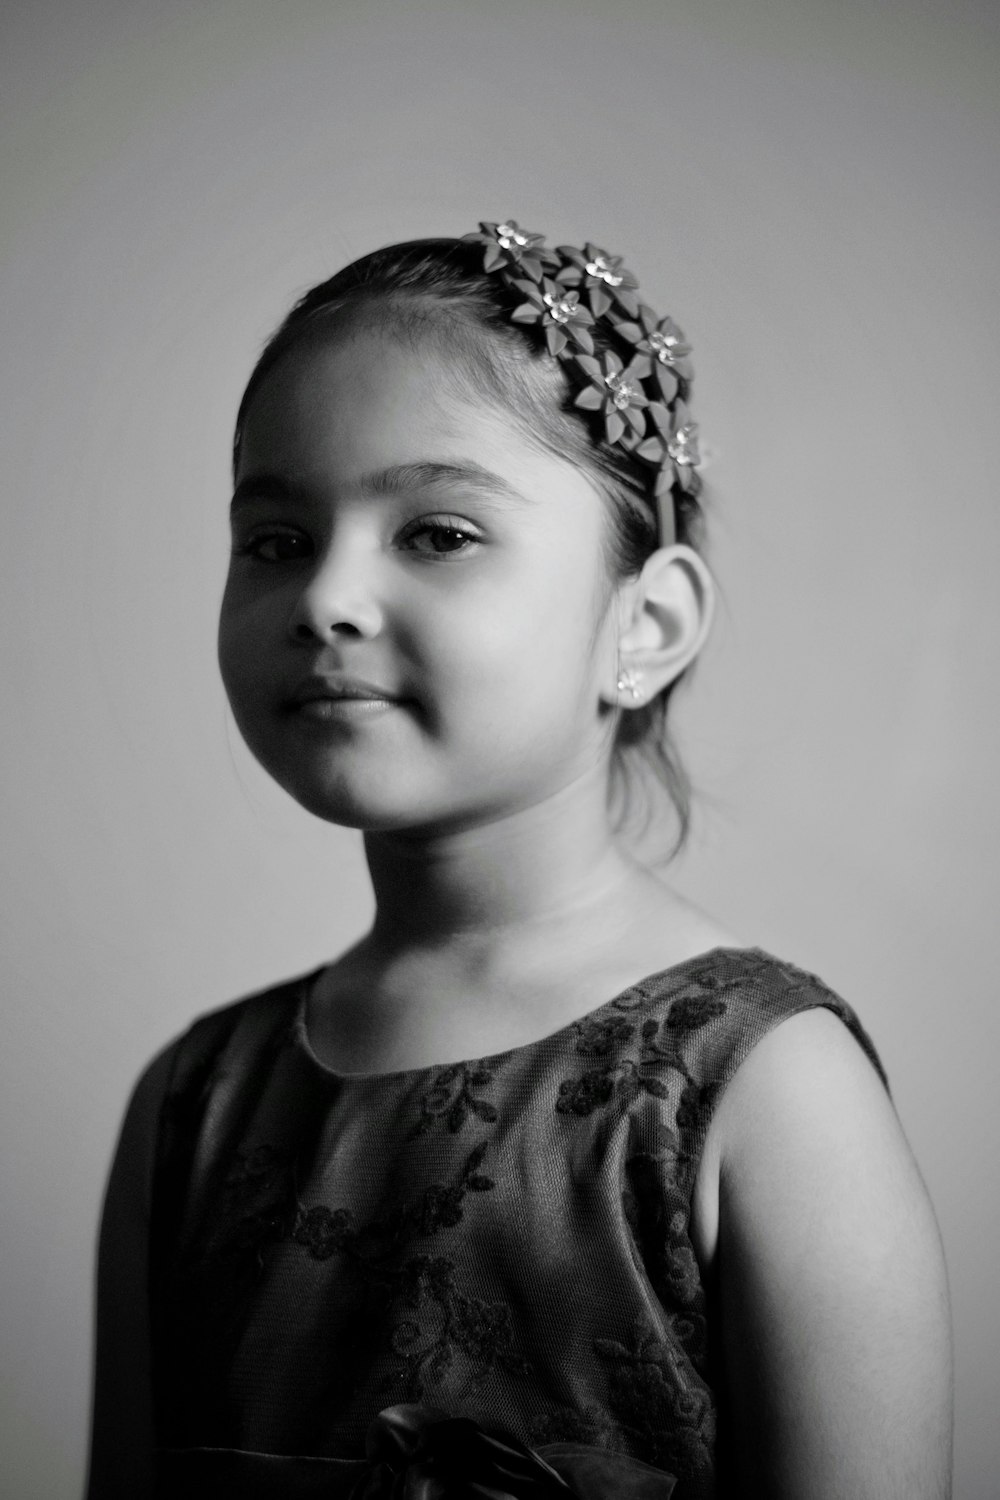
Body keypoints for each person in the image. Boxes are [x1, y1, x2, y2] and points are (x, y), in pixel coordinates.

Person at [85, 221, 953, 1499]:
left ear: (643, 626)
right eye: (275, 540)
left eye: (435, 532)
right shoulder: (194, 1103)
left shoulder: (766, 1095)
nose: (326, 595)